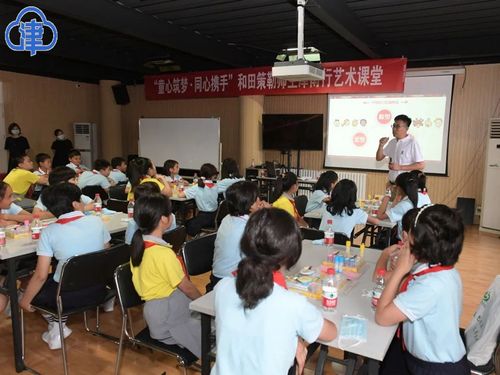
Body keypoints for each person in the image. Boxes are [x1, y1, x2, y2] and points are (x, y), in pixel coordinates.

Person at [213, 208, 337, 375]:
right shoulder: (292, 304)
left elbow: (249, 330)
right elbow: (330, 333)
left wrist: (293, 342)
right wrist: (296, 341)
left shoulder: (222, 288)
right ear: (290, 254)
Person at [376, 205, 470, 375]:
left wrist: (399, 271)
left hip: (436, 368)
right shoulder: (442, 270)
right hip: (428, 359)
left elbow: (382, 316)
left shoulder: (430, 286)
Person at [19, 183, 111, 350]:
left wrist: (25, 301)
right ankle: (57, 327)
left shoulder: (50, 232)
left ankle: (57, 327)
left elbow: (40, 275)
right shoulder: (96, 222)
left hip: (64, 296)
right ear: (76, 204)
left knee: (30, 292)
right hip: (99, 290)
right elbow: (106, 252)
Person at [130, 193, 202, 359]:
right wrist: (202, 303)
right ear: (164, 219)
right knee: (214, 331)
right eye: (170, 213)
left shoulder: (139, 247)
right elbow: (187, 288)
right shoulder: (162, 253)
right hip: (169, 316)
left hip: (158, 312)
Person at [209, 181, 269, 290]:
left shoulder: (227, 218)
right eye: (257, 198)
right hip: (231, 282)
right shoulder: (248, 229)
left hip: (217, 278)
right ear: (251, 205)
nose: (260, 201)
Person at [377, 172, 432, 240]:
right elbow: (393, 209)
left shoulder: (404, 205)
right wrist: (398, 197)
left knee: (381, 238)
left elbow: (380, 216)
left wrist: (387, 196)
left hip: (404, 241)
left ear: (399, 188)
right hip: (421, 238)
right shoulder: (424, 196)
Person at [375, 114, 425, 184]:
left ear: (406, 128)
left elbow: (421, 165)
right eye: (393, 126)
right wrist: (381, 145)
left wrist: (400, 167)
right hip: (392, 183)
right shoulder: (392, 142)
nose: (394, 129)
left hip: (406, 185)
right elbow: (379, 158)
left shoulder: (412, 142)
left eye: (397, 126)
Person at [178, 163, 219, 237]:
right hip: (215, 216)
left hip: (204, 218)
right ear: (213, 175)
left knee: (185, 224)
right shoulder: (215, 186)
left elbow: (180, 195)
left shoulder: (197, 187)